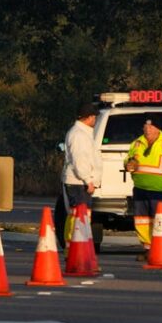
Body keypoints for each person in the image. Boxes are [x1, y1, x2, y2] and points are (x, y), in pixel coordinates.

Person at [124, 115, 162, 256]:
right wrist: (128, 164)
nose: (147, 129)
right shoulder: (137, 143)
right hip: (140, 189)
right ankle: (148, 249)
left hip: (160, 191)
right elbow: (128, 158)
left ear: (158, 129)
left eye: (151, 126)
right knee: (142, 220)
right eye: (145, 125)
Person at [62, 102, 100, 245]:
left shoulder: (81, 133)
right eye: (94, 117)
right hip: (79, 183)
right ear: (89, 117)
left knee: (79, 216)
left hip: (79, 182)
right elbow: (80, 159)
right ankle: (74, 247)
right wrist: (88, 180)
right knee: (79, 216)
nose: (95, 120)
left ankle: (76, 247)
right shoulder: (79, 135)